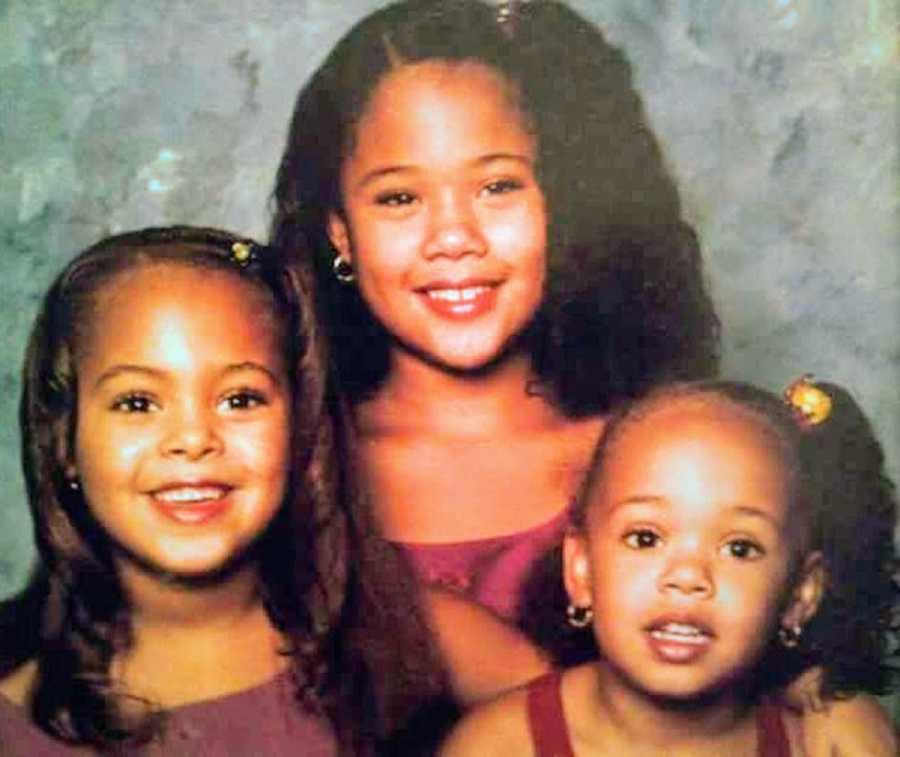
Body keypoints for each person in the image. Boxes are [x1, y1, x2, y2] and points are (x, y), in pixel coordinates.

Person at [270, 0, 720, 704]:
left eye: (498, 185)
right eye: (398, 198)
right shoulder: (283, 467)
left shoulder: (658, 450)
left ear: (561, 204)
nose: (454, 236)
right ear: (339, 235)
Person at [0, 227, 393, 754]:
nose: (193, 440)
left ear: (299, 428)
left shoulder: (405, 638)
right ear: (64, 442)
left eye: (240, 399)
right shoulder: (15, 714)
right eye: (137, 403)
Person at [441, 377, 899, 756]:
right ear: (580, 571)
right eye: (646, 538)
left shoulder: (820, 745)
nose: (687, 577)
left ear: (801, 595)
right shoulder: (499, 746)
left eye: (739, 548)